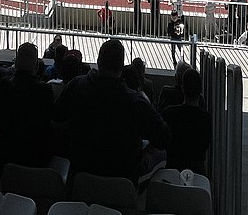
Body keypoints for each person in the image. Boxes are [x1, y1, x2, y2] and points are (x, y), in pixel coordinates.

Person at [53, 39, 170, 182]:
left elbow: (56, 117)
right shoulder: (136, 102)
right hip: (121, 184)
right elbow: (164, 138)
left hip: (79, 178)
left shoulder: (76, 85)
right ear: (121, 67)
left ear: (98, 60)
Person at [161, 67, 211, 174]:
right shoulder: (206, 119)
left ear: (183, 88)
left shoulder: (168, 113)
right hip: (197, 173)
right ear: (200, 91)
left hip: (172, 170)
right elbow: (205, 146)